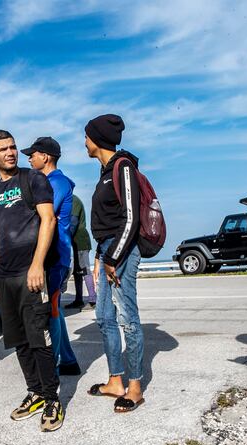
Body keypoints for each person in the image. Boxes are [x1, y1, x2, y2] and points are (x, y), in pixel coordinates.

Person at [0, 129, 64, 432]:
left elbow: (49, 220)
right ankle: (35, 393)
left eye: (13, 147)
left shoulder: (33, 179)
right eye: (3, 149)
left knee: (38, 337)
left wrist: (37, 265)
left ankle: (52, 398)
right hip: (5, 275)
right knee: (18, 339)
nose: (10, 152)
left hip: (30, 273)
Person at [83, 114, 145, 413]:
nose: (84, 142)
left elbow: (131, 218)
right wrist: (99, 257)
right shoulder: (104, 171)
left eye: (87, 136)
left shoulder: (123, 167)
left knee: (128, 319)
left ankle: (135, 387)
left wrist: (111, 258)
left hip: (122, 251)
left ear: (97, 139)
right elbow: (105, 223)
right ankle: (115, 380)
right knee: (104, 317)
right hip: (107, 251)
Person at [21, 136, 81, 376]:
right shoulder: (51, 181)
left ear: (45, 157)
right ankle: (67, 361)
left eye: (33, 154)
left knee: (51, 310)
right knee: (55, 306)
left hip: (56, 255)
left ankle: (52, 367)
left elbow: (41, 215)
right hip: (54, 255)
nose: (29, 158)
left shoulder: (55, 183)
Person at [64, 194, 96, 310]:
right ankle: (78, 300)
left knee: (84, 269)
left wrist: (63, 240)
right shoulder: (69, 199)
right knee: (77, 271)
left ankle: (93, 300)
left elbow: (73, 222)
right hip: (74, 240)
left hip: (80, 238)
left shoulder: (73, 200)